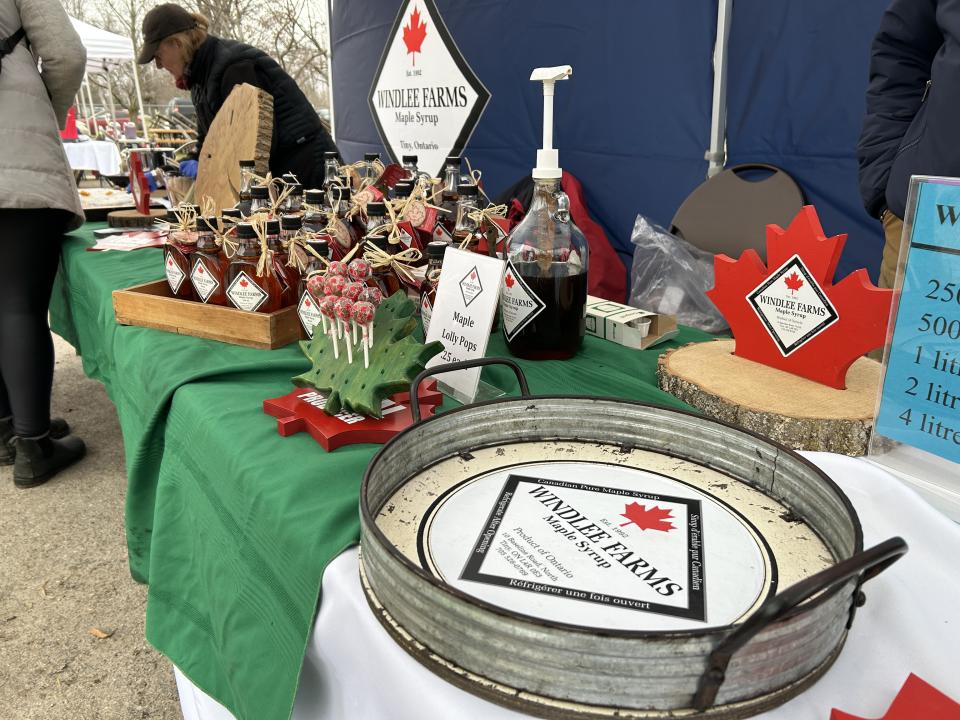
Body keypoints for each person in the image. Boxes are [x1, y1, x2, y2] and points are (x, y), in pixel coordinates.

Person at [0, 0, 87, 486]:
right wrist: (45, 114)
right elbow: (66, 54)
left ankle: (7, 428)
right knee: (18, 306)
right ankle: (33, 446)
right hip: (13, 156)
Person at [138, 3, 339, 189]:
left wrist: (212, 168)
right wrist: (163, 174)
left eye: (158, 56)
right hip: (284, 176)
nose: (158, 65)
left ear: (176, 44)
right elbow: (207, 147)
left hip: (308, 171)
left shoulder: (233, 68)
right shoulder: (199, 79)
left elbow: (256, 147)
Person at [857, 0, 960, 289]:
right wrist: (887, 186)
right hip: (929, 221)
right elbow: (901, 51)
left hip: (929, 216)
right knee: (905, 336)